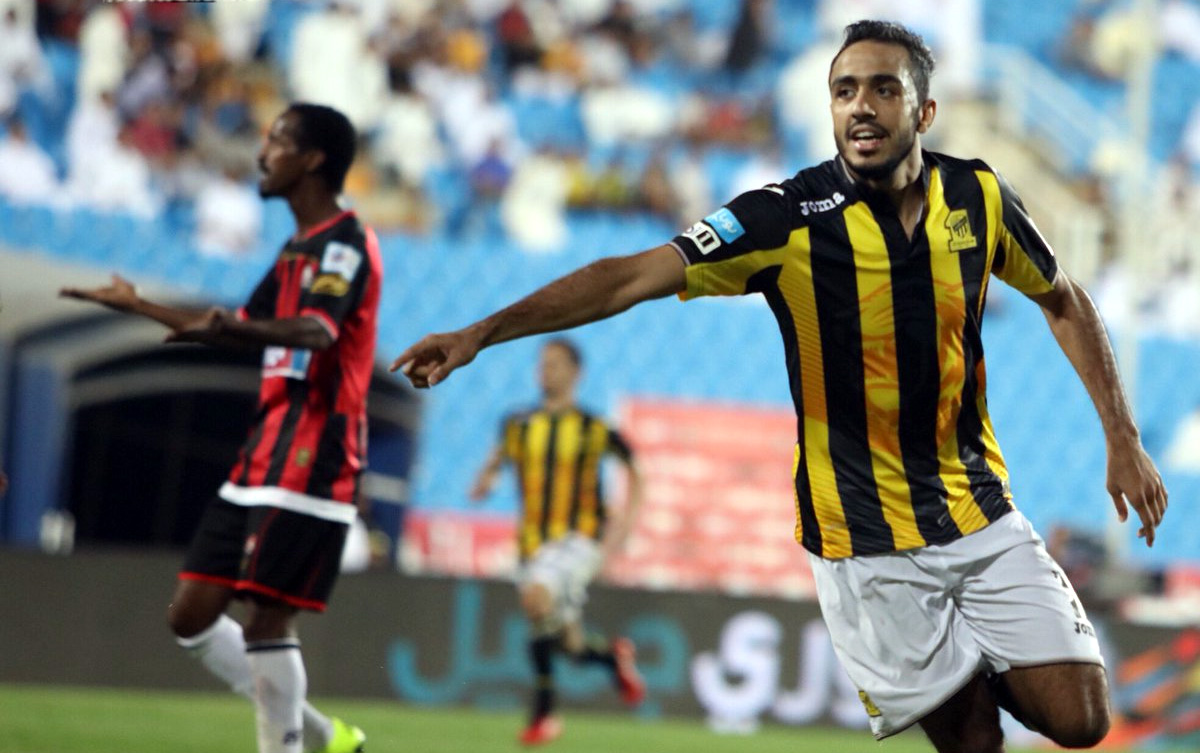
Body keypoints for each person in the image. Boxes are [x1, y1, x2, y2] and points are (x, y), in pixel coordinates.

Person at [391, 20, 1169, 753]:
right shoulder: (785, 217)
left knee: (1082, 719)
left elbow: (1064, 298)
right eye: (844, 90)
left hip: (978, 509)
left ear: (925, 110)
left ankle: (962, 656)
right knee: (974, 744)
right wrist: (481, 331)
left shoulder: (979, 197)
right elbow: (629, 276)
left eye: (884, 89)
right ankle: (948, 670)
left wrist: (1123, 436)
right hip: (863, 542)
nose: (860, 106)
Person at [61, 103, 379, 753]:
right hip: (262, 452)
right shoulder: (294, 251)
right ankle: (327, 736)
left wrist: (233, 328)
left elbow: (318, 331)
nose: (262, 154)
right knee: (191, 615)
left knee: (266, 621)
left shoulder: (345, 242)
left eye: (277, 141)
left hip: (315, 454)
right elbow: (232, 327)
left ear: (313, 159)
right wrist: (141, 306)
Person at [468, 337, 647, 746]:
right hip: (532, 544)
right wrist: (486, 478)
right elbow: (498, 457)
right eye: (542, 363)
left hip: (578, 539)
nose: (545, 371)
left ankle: (544, 714)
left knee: (536, 597)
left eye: (555, 364)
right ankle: (611, 658)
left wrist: (623, 528)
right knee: (567, 642)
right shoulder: (518, 424)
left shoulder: (595, 428)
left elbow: (637, 472)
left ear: (575, 372)